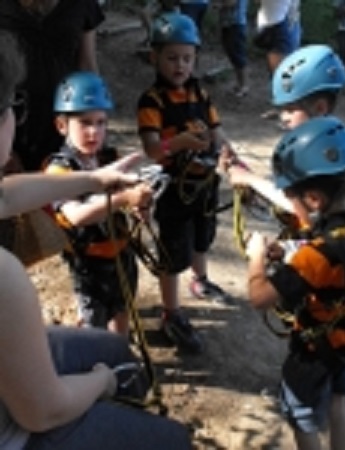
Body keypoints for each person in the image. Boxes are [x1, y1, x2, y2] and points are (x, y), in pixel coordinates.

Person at [0, 30, 193, 450]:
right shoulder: (5, 277)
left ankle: (121, 398)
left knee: (116, 342)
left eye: (100, 123)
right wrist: (99, 381)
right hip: (19, 427)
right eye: (12, 106)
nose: (94, 131)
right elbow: (42, 412)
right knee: (173, 439)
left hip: (115, 259)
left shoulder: (100, 160)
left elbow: (6, 196)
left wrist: (99, 181)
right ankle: (116, 400)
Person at [244, 116, 345, 450]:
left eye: (290, 194)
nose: (288, 199)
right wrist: (288, 250)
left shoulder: (315, 258)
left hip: (317, 353)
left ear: (313, 199)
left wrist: (256, 257)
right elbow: (330, 253)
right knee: (339, 403)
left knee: (302, 417)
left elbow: (259, 297)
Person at [137, 12, 235, 354]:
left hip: (204, 182)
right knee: (173, 249)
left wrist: (231, 156)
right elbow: (152, 149)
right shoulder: (152, 101)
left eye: (187, 58)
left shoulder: (199, 93)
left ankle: (200, 279)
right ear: (155, 57)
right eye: (172, 58)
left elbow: (217, 131)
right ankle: (171, 311)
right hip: (174, 188)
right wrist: (180, 142)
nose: (180, 65)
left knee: (202, 235)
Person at [44, 71, 152, 336]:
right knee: (94, 325)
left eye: (101, 122)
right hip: (88, 265)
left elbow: (127, 199)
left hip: (122, 256)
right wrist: (122, 198)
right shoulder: (58, 170)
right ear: (62, 125)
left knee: (122, 309)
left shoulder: (109, 158)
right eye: (85, 123)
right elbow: (76, 215)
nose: (94, 132)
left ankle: (119, 349)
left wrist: (140, 205)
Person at [227, 44, 345, 218]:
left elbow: (302, 208)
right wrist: (247, 179)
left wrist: (250, 179)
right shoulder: (331, 140)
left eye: (291, 109)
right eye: (282, 109)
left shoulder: (325, 152)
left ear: (320, 108)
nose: (284, 117)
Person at [0, 0, 104, 172]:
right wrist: (5, 147)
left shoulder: (83, 4)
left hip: (62, 124)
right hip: (9, 121)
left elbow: (87, 66)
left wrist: (92, 126)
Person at [216, 0, 249, 97]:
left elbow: (232, 2)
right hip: (230, 23)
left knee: (238, 56)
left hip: (235, 23)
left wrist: (220, 5)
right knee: (234, 55)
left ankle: (243, 86)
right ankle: (239, 84)